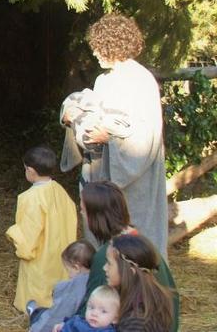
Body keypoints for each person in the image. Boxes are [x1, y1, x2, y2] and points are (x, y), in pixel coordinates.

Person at [60, 13, 167, 258]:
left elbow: (147, 132)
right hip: (101, 171)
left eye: (99, 48)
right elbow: (94, 113)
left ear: (113, 44)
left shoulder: (141, 80)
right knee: (102, 240)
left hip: (132, 177)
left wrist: (109, 137)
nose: (95, 53)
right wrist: (73, 115)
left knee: (132, 241)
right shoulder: (104, 80)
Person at [75, 181, 179, 331]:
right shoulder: (142, 244)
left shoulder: (108, 256)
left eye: (83, 210)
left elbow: (90, 315)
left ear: (96, 216)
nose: (81, 214)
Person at [6, 146, 78, 311]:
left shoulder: (31, 198)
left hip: (40, 257)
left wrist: (13, 234)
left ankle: (35, 310)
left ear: (30, 171)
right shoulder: (60, 191)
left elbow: (28, 236)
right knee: (57, 284)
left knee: (38, 288)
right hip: (61, 253)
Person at [105, 234, 175, 332]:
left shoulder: (136, 322)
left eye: (109, 263)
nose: (104, 268)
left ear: (130, 271)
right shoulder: (147, 298)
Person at [29, 240, 96, 332]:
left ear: (76, 268)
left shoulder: (74, 289)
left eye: (68, 270)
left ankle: (34, 312)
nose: (68, 275)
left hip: (67, 323)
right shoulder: (95, 278)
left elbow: (56, 315)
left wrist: (35, 330)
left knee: (40, 314)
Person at [54, 286, 119, 332]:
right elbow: (66, 326)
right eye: (91, 307)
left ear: (115, 319)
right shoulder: (77, 321)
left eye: (103, 311)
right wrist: (62, 326)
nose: (94, 313)